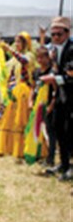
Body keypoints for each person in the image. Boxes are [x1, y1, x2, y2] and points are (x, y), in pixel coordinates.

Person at [0, 32, 35, 160]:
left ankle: (22, 148)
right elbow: (2, 68)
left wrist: (9, 49)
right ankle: (7, 146)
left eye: (19, 42)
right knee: (8, 120)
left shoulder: (29, 56)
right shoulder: (13, 60)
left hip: (23, 92)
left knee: (20, 120)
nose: (17, 44)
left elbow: (24, 61)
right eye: (16, 42)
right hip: (12, 92)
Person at [41, 16, 72, 181]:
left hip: (70, 98)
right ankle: (64, 163)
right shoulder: (56, 49)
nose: (55, 38)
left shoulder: (72, 49)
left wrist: (54, 79)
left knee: (69, 133)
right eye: (52, 35)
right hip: (60, 96)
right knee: (59, 130)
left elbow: (70, 77)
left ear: (67, 33)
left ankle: (69, 168)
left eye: (58, 35)